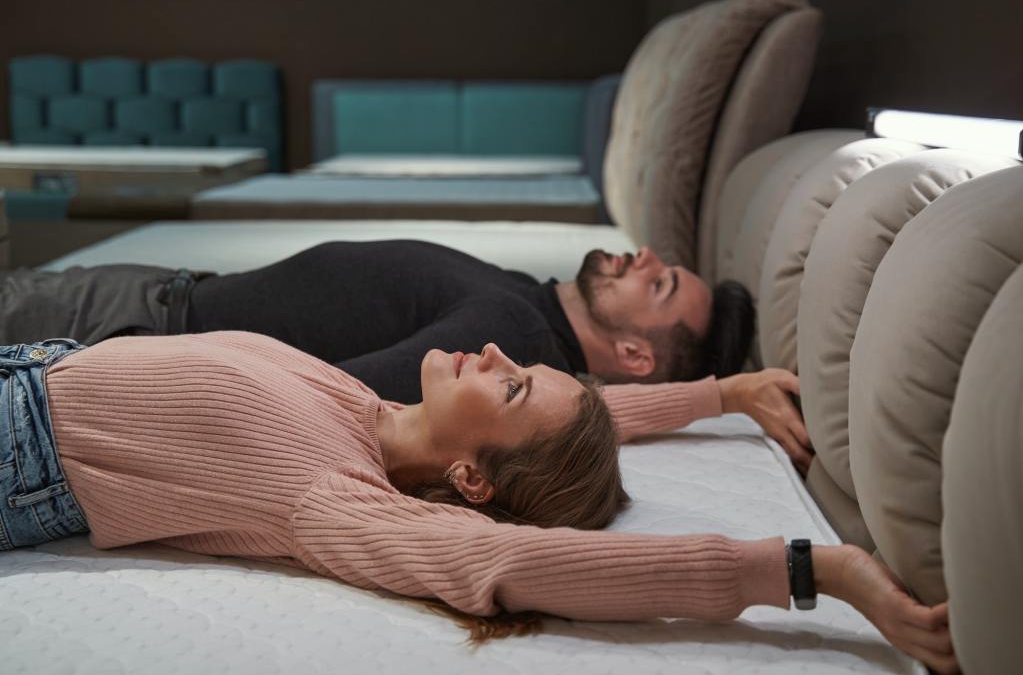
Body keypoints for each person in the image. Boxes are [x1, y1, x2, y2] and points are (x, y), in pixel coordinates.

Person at [2, 334, 955, 673]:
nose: (497, 354)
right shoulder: (365, 409)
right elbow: (582, 415)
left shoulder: (331, 499)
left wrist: (806, 568)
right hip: (34, 365)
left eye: (506, 387)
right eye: (521, 367)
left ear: (470, 483)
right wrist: (719, 393)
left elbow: (511, 563)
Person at [0, 241, 812, 470]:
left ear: (635, 353)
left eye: (658, 283)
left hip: (131, 329)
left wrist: (716, 394)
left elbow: (347, 402)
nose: (637, 256)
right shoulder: (522, 308)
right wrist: (721, 393)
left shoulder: (513, 339)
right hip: (156, 299)